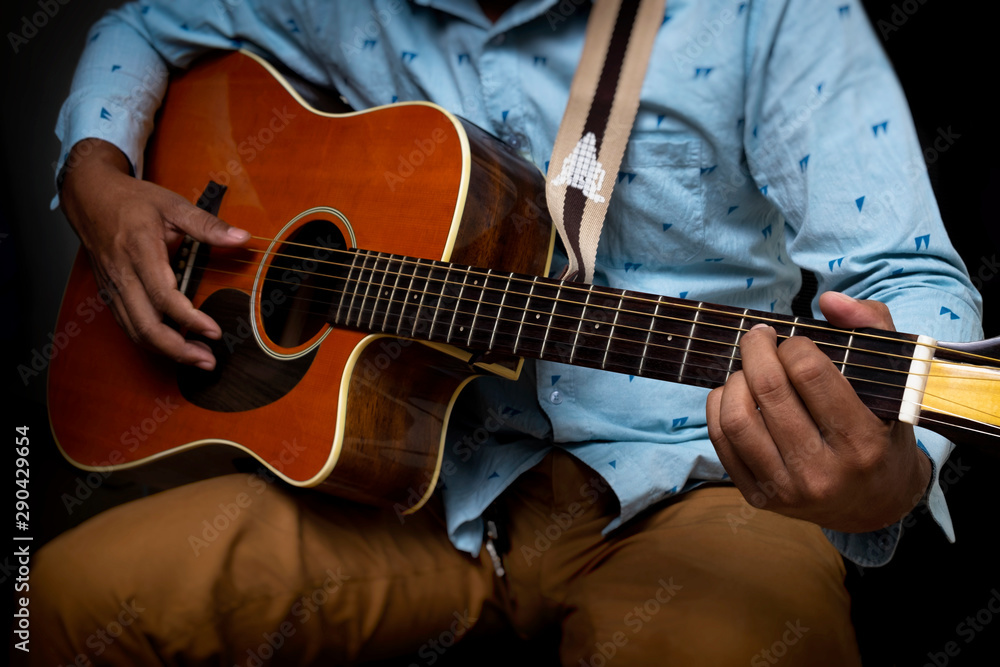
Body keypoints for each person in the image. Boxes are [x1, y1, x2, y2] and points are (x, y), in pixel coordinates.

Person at [35, 0, 983, 665]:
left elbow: (906, 277)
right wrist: (96, 175)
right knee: (53, 608)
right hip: (407, 492)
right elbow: (144, 23)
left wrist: (898, 473)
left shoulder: (769, 12)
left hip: (700, 494)